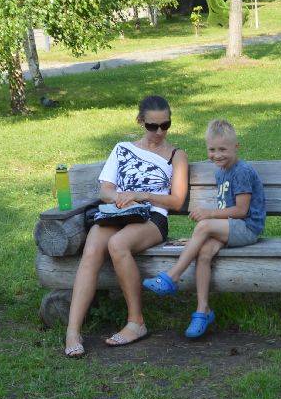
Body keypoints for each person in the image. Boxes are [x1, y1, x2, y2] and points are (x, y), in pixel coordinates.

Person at [63, 95, 189, 357]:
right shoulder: (122, 148)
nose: (159, 132)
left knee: (117, 244)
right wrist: (121, 198)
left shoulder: (176, 155)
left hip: (152, 217)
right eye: (152, 126)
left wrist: (142, 196)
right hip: (117, 212)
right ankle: (73, 331)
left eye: (165, 125)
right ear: (140, 122)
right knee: (93, 248)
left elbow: (176, 201)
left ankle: (136, 322)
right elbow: (106, 189)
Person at [141, 118, 265, 338]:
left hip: (247, 228)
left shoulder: (242, 171)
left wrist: (209, 214)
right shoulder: (220, 172)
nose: (217, 155)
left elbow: (242, 211)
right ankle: (202, 311)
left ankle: (172, 277)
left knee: (205, 225)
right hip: (229, 227)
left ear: (236, 147)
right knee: (204, 252)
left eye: (223, 149)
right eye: (212, 149)